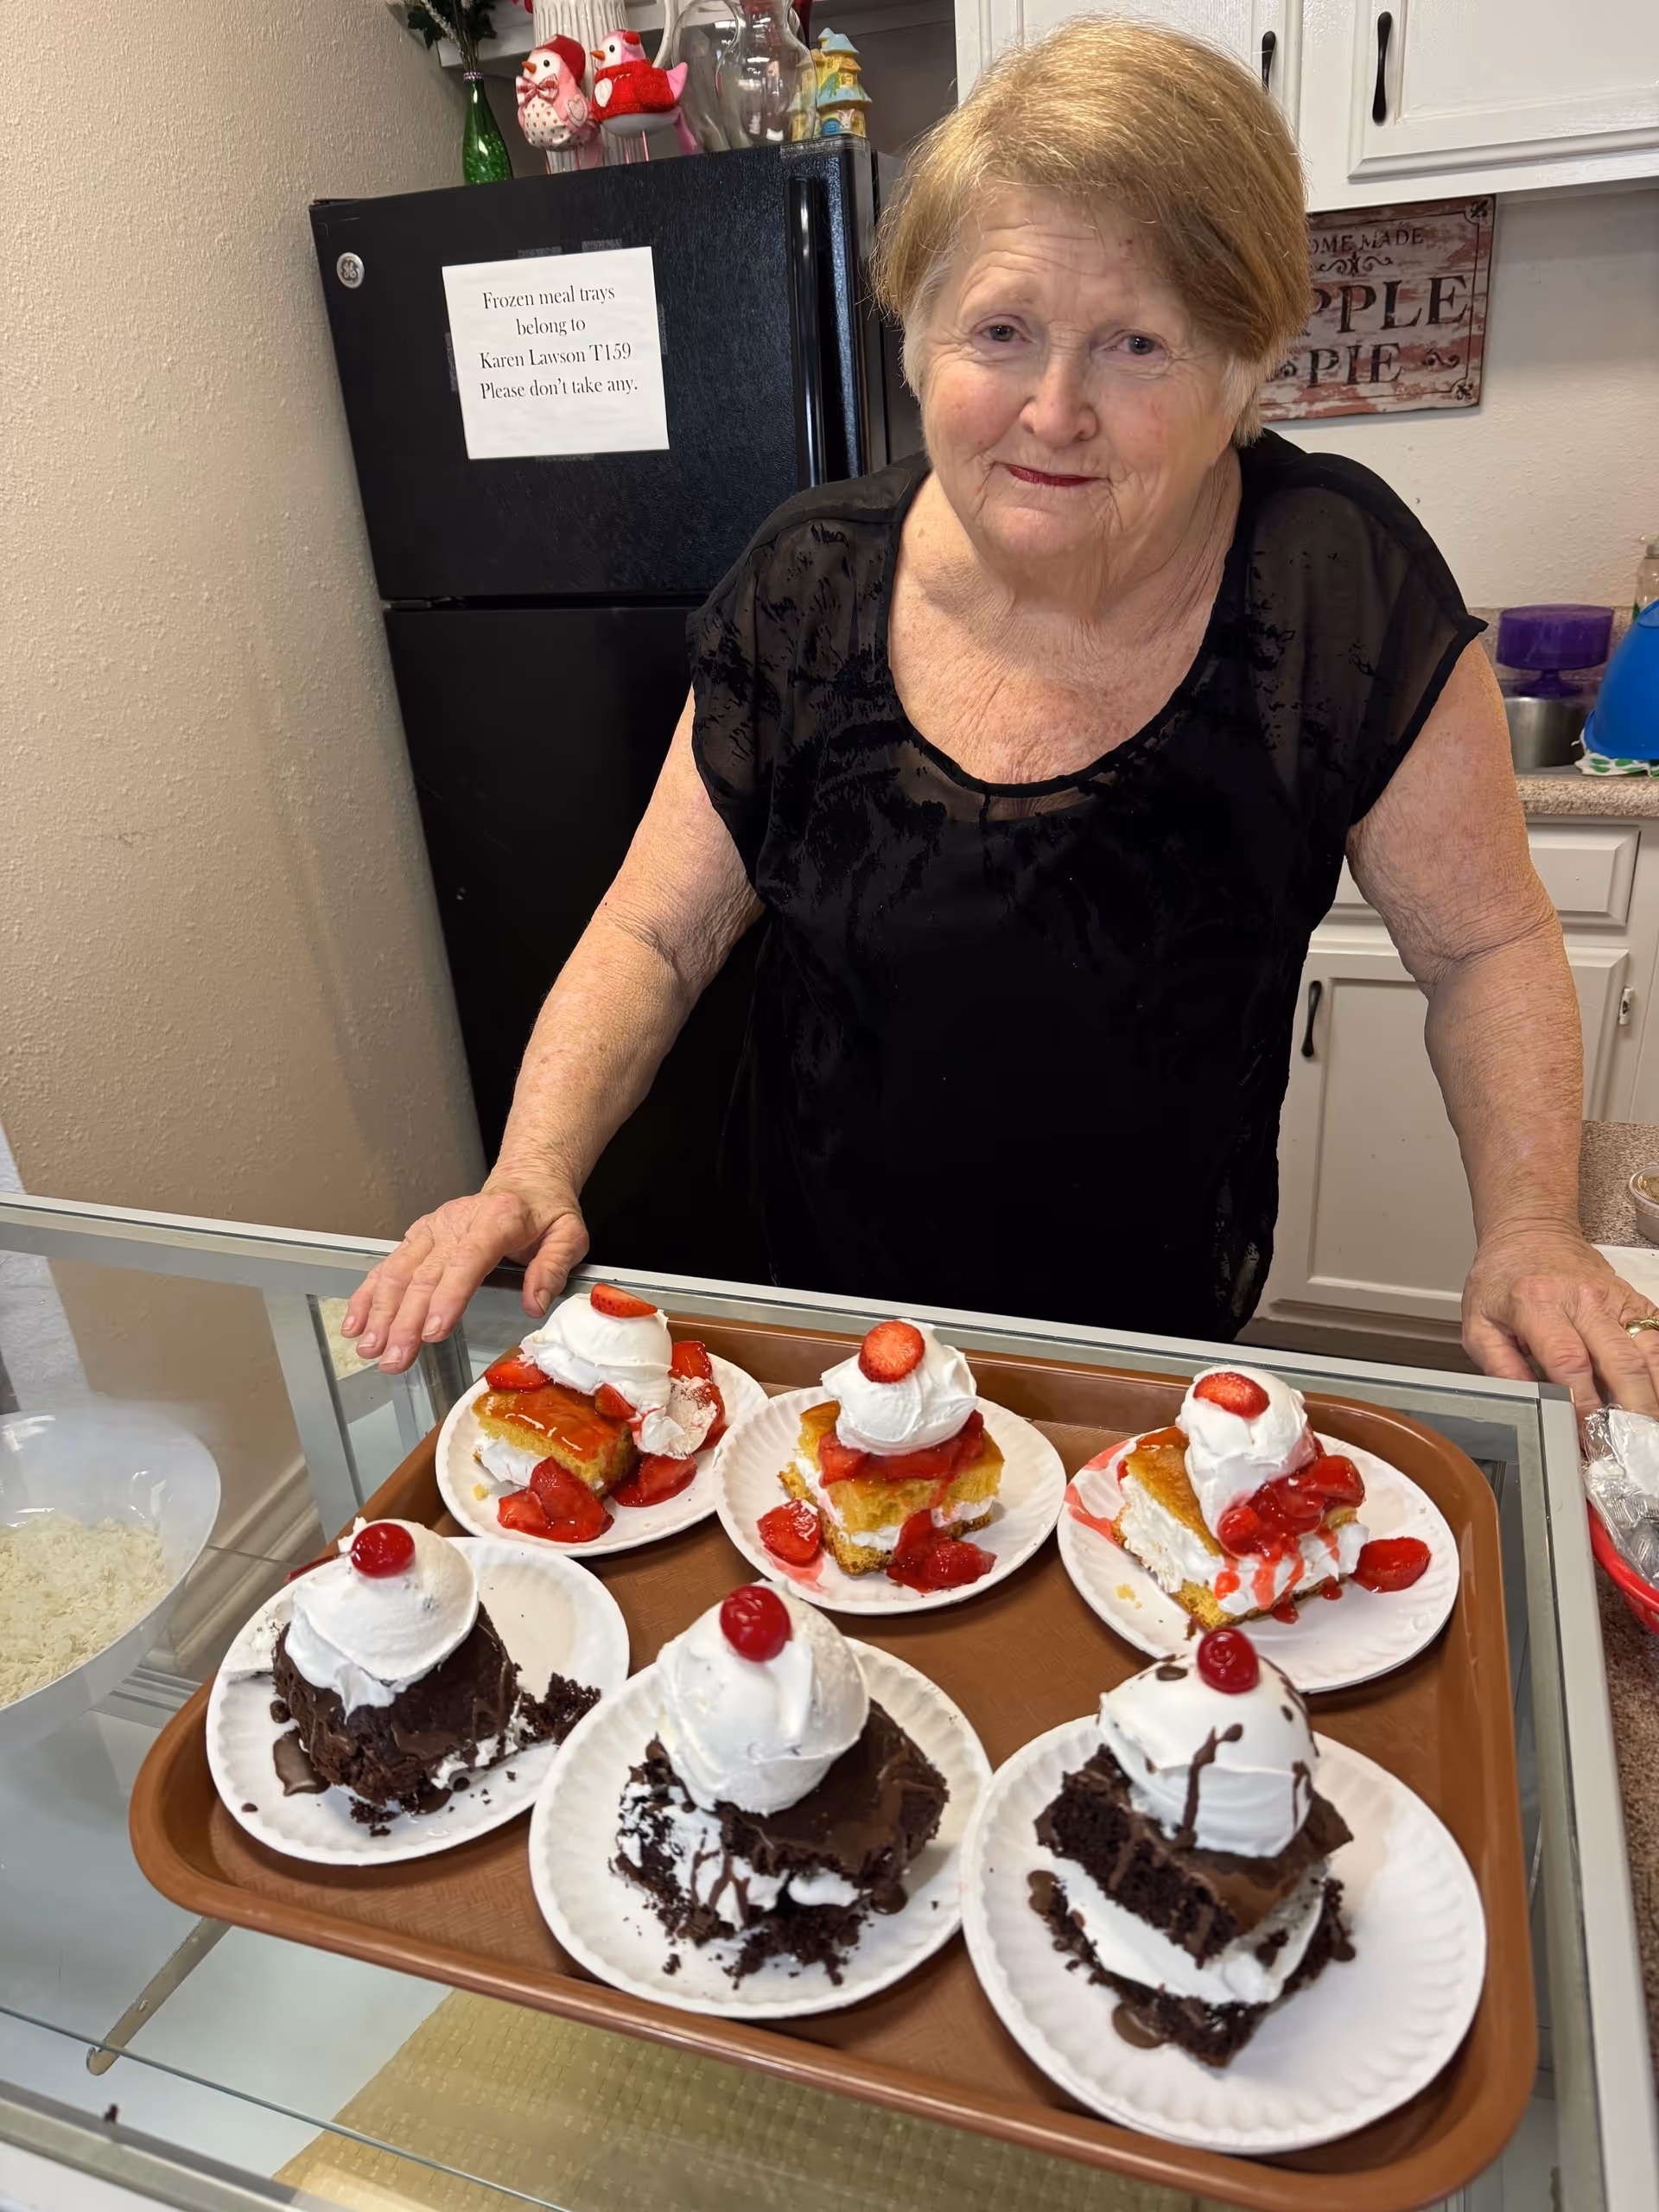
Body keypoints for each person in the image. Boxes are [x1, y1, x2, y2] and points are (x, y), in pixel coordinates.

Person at [344, 19, 1659, 1414]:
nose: (1053, 409)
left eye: (1138, 344)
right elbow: (657, 931)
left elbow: (1486, 942)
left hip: (1138, 1360)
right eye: (1002, 330)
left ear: (1241, 366)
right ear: (919, 338)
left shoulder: (1335, 583)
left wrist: (1531, 1229)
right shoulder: (806, 584)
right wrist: (531, 1166)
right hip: (821, 1337)